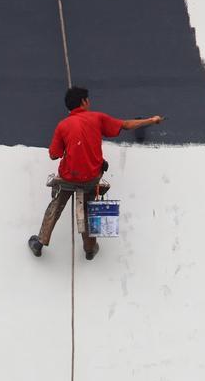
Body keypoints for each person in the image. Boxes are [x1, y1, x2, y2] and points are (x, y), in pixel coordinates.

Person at [28, 87, 163, 260]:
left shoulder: (63, 125)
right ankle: (90, 249)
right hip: (91, 179)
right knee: (88, 211)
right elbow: (126, 125)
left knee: (56, 206)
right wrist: (151, 120)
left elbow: (54, 154)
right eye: (87, 99)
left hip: (68, 177)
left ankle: (40, 242)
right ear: (84, 102)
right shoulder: (97, 118)